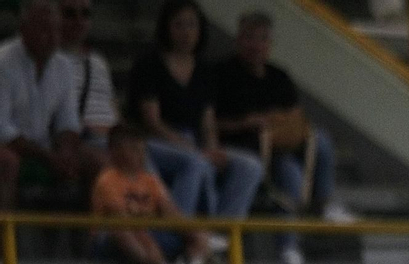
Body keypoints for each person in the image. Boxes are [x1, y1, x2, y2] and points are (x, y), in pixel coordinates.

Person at [213, 10, 356, 264]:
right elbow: (212, 123)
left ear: (270, 44)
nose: (256, 45)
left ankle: (324, 203)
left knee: (320, 141)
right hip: (244, 147)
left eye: (262, 39)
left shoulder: (279, 77)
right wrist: (249, 122)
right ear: (239, 40)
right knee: (290, 175)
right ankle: (287, 247)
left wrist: (278, 122)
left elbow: (296, 118)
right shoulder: (222, 75)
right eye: (250, 38)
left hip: (281, 146)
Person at [129, 0, 262, 223]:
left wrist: (212, 148)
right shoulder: (149, 64)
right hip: (157, 142)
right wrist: (191, 148)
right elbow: (152, 121)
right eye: (179, 25)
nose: (186, 33)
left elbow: (207, 121)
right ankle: (180, 231)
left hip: (195, 141)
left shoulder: (204, 70)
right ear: (167, 28)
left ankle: (221, 232)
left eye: (192, 25)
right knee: (196, 163)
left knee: (250, 166)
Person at [0, 0, 99, 209]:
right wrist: (49, 157)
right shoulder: (3, 62)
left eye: (56, 30)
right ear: (24, 30)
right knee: (7, 162)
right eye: (44, 30)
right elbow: (3, 131)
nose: (52, 37)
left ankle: (90, 237)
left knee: (95, 160)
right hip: (12, 147)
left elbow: (68, 122)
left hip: (45, 147)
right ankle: (6, 237)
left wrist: (65, 153)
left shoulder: (62, 65)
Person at [90, 122, 210, 264]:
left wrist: (194, 233)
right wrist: (152, 246)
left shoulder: (151, 180)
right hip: (113, 240)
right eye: (133, 150)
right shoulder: (107, 180)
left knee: (194, 230)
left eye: (141, 149)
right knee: (123, 231)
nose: (140, 155)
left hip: (148, 231)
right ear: (115, 151)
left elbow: (170, 212)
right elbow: (121, 219)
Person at [56, 0, 116, 150]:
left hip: (115, 137)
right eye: (70, 14)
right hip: (86, 137)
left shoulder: (98, 60)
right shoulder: (52, 62)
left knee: (184, 159)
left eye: (85, 14)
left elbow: (112, 105)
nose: (79, 21)